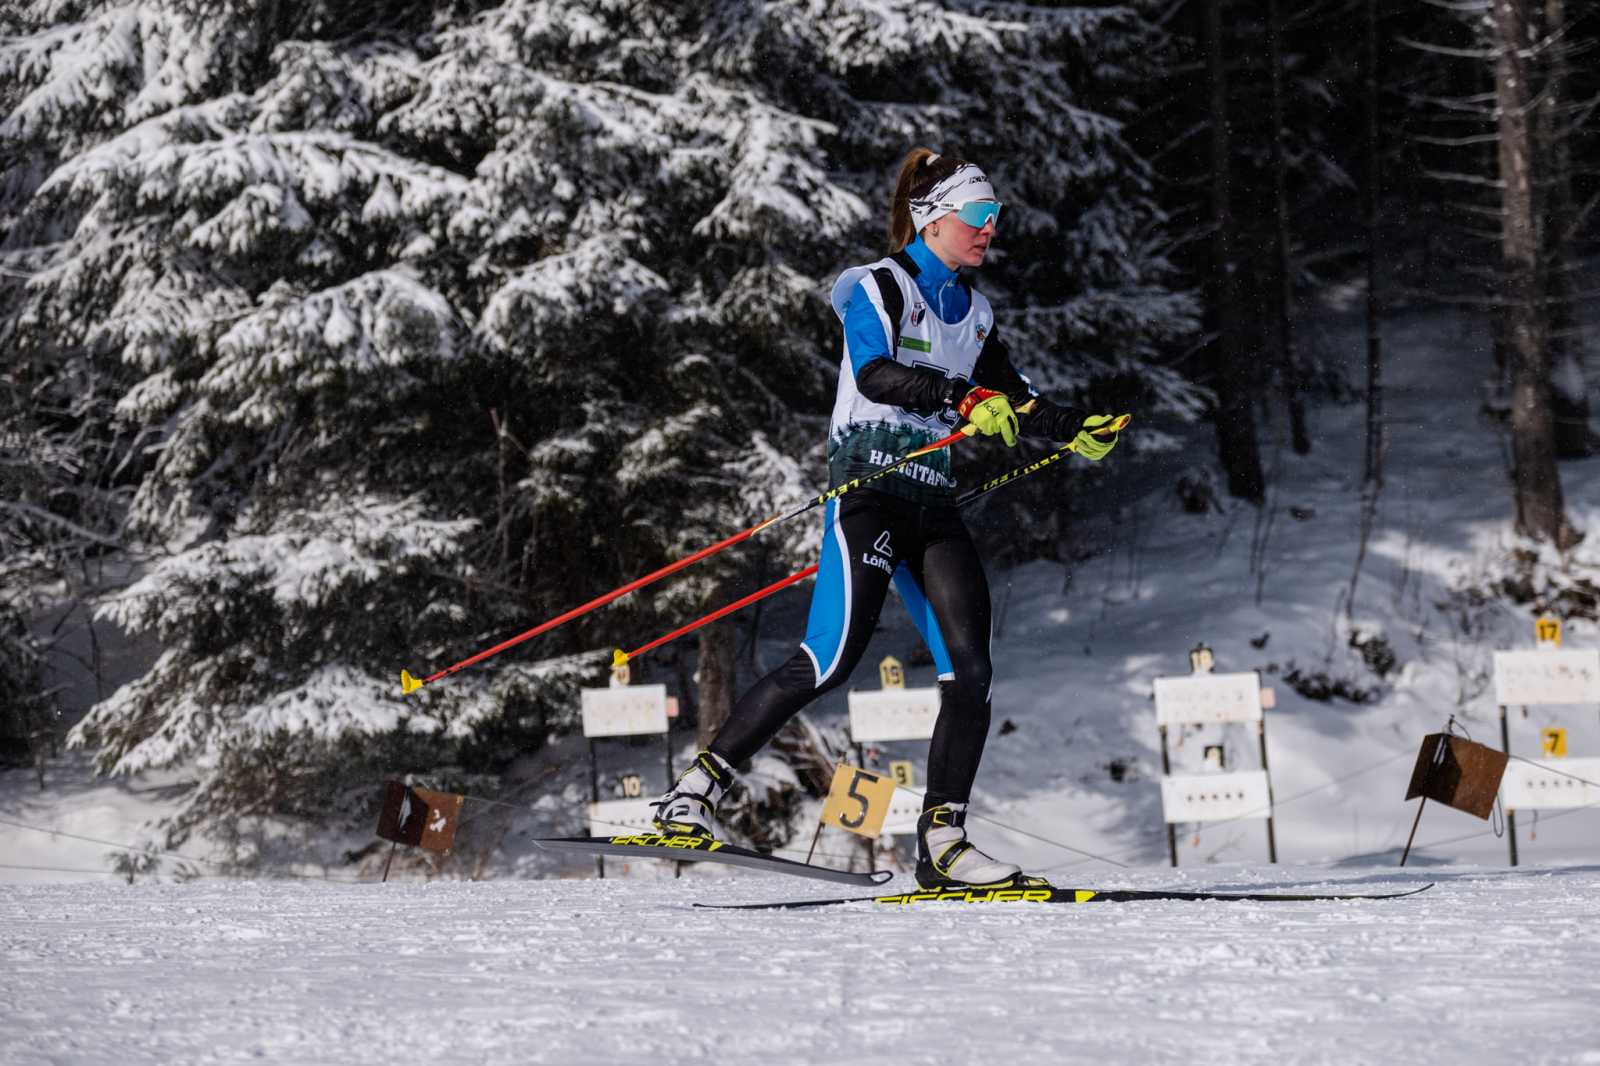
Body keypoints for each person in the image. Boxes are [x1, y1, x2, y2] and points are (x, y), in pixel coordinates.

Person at [653, 148, 1122, 889]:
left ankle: (945, 845)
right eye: (978, 215)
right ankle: (694, 792)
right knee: (830, 658)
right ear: (935, 221)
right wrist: (960, 400)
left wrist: (1073, 427)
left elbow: (1017, 395)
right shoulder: (878, 286)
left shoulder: (975, 311)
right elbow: (874, 371)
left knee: (972, 671)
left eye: (995, 217)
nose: (989, 229)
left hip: (931, 502)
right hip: (868, 492)